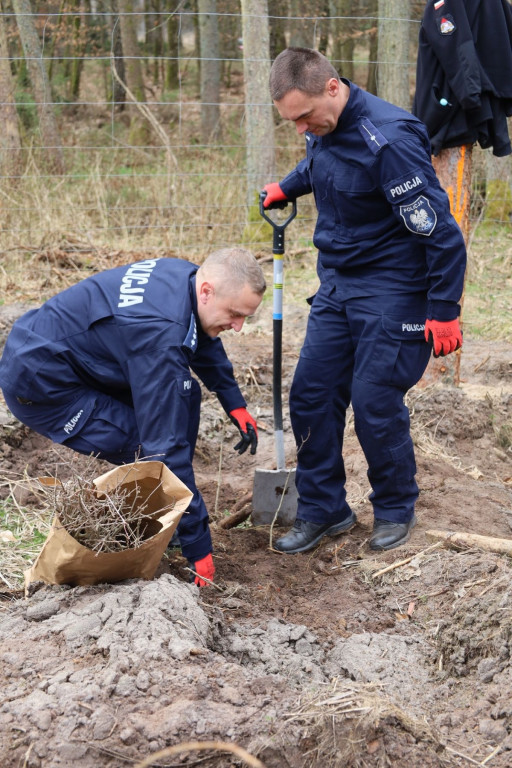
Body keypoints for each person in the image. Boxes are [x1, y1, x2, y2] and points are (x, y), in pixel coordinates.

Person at [262, 47, 466, 554]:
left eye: (305, 116)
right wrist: (286, 188)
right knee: (310, 396)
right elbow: (320, 164)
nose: (301, 129)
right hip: (339, 284)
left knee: (375, 402)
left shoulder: (389, 140)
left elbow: (442, 234)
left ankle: (395, 508)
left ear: (333, 87)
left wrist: (444, 311)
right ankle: (324, 510)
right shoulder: (322, 127)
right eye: (292, 121)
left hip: (394, 287)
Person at [0, 248, 266, 585]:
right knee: (146, 446)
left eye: (246, 317)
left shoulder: (184, 277)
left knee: (184, 398)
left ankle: (171, 513)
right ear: (207, 291)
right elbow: (164, 452)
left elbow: (201, 330)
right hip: (43, 386)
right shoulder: (159, 337)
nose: (239, 327)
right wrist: (199, 547)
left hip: (76, 355)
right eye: (234, 314)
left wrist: (233, 401)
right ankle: (167, 529)